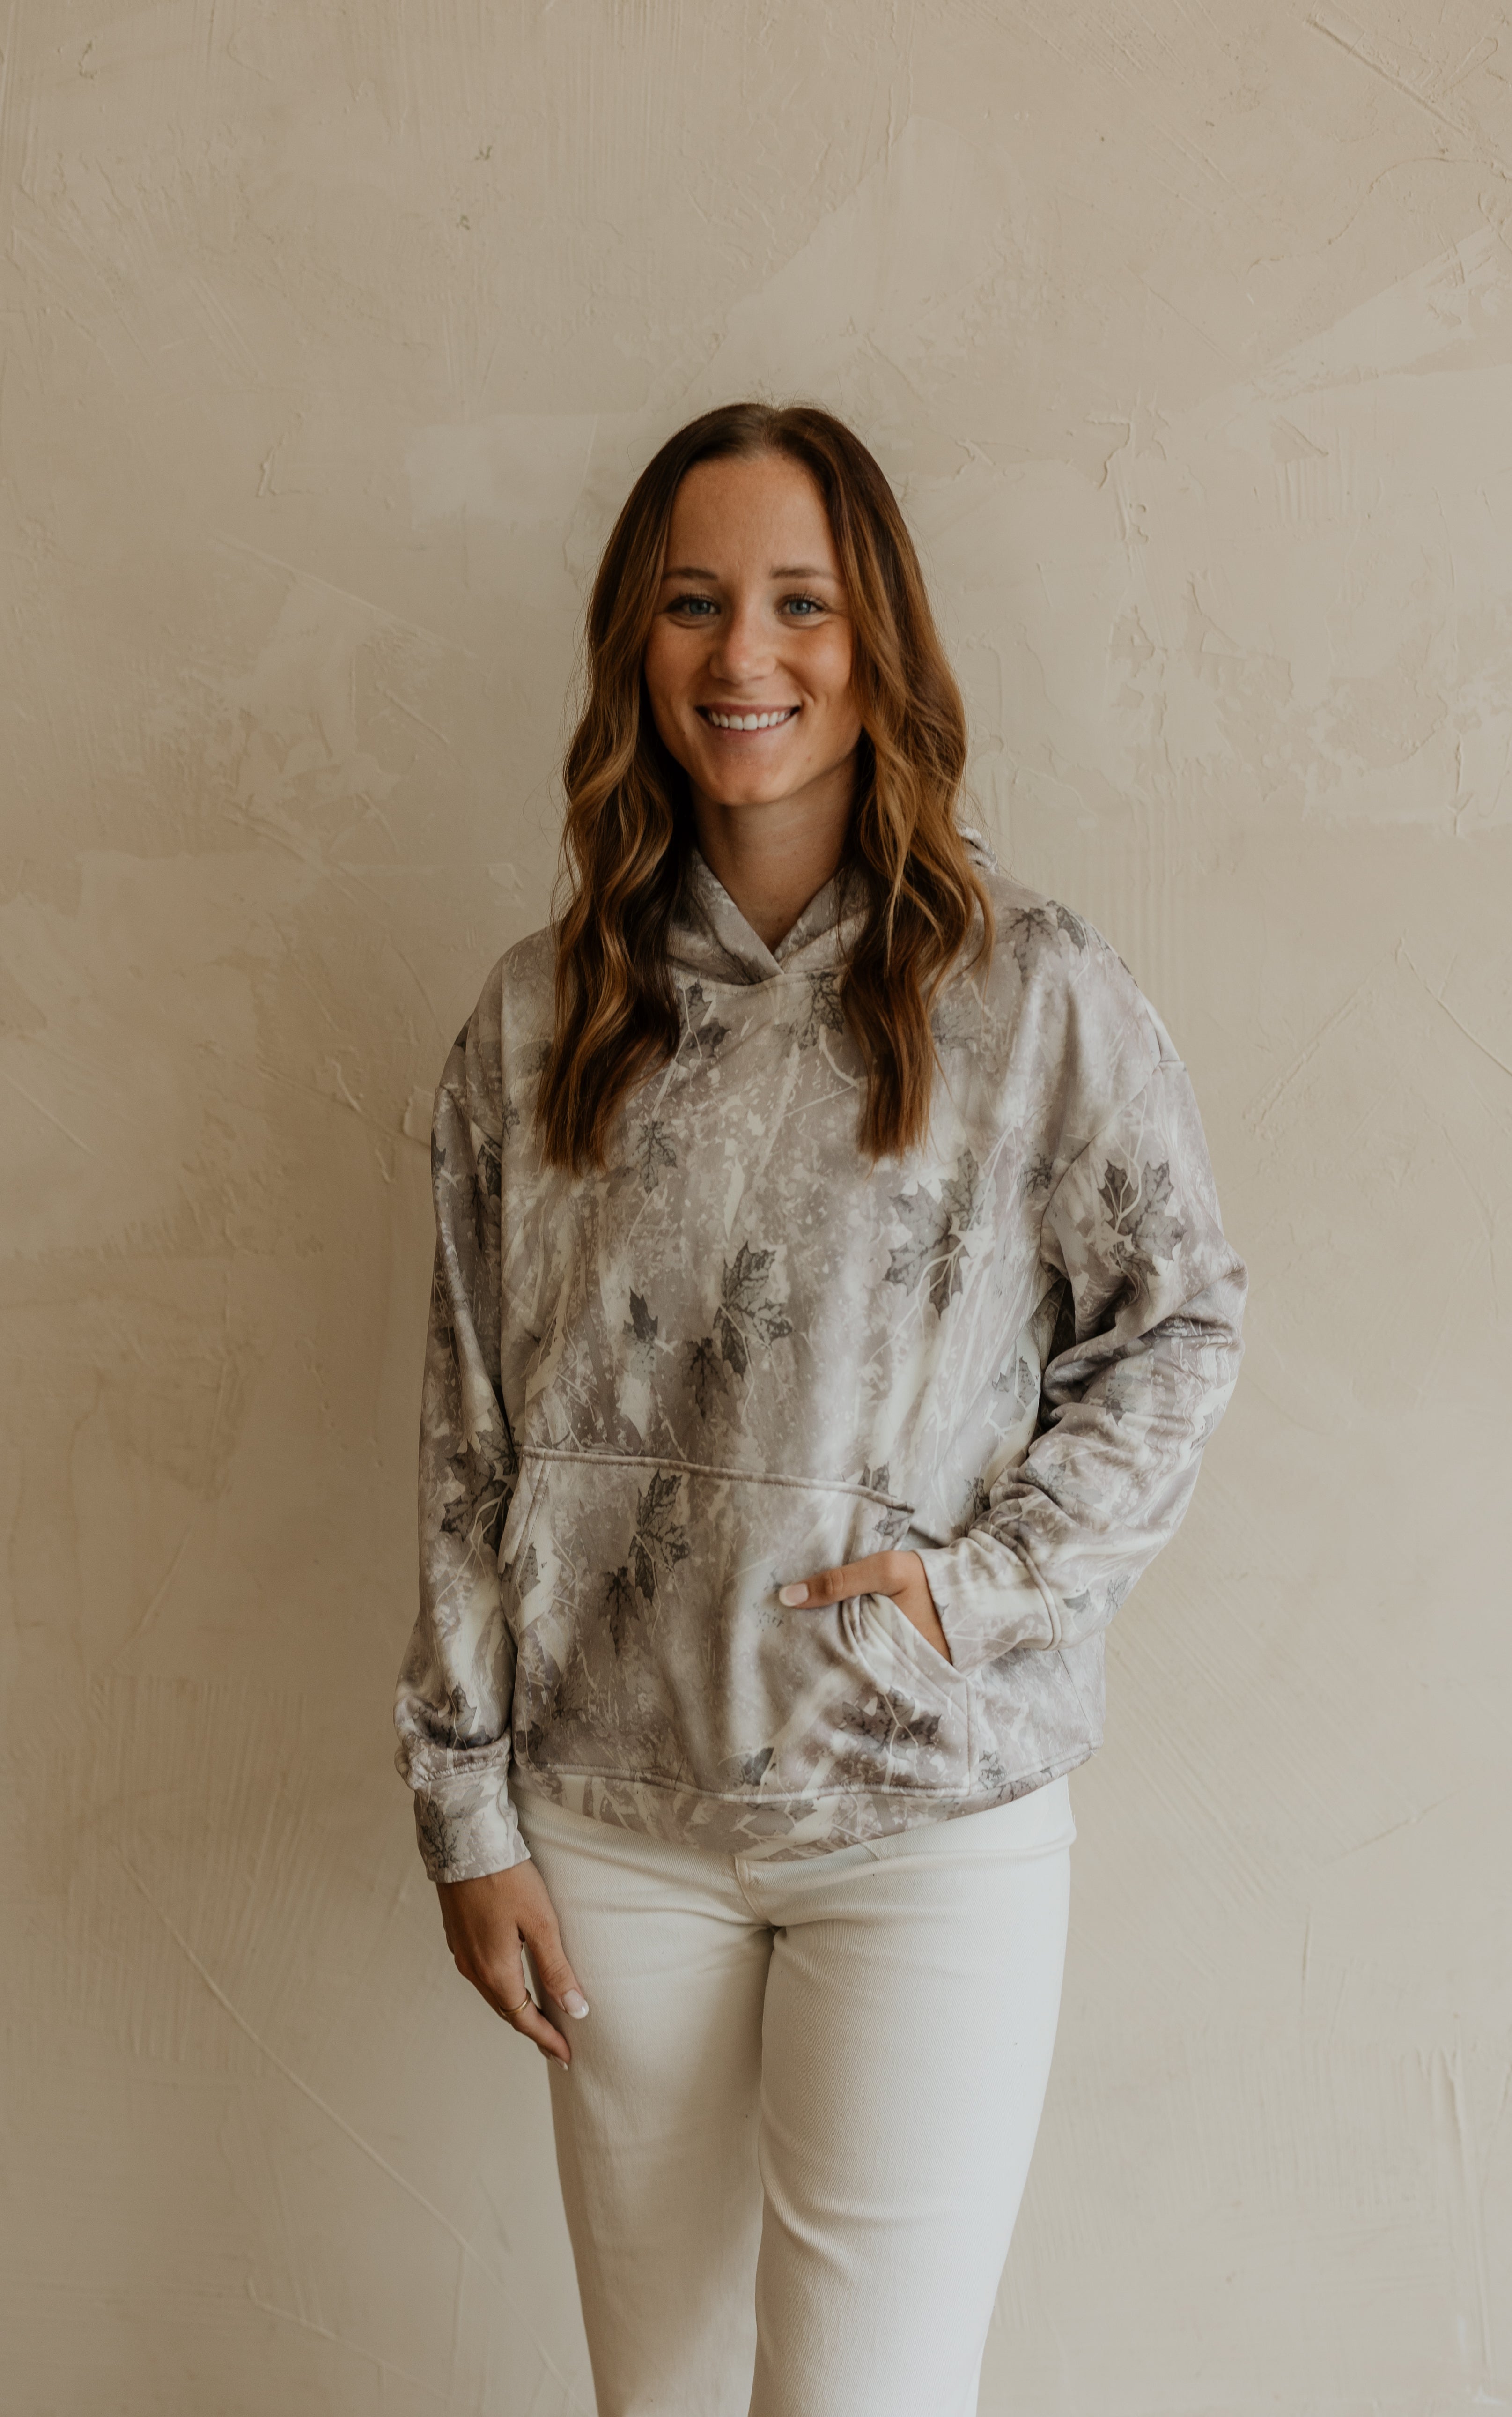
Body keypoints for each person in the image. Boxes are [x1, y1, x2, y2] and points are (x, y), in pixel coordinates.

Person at [394, 401, 1246, 2417]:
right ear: (636, 642)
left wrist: (974, 1592)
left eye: (801, 603)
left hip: (923, 1816)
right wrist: (464, 1811)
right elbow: (468, 1435)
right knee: (663, 2402)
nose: (745, 656)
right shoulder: (536, 1020)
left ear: (878, 642)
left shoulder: (1027, 991)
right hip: (611, 1828)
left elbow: (1182, 1323)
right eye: (694, 603)